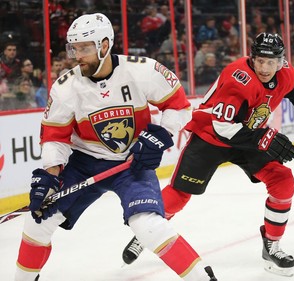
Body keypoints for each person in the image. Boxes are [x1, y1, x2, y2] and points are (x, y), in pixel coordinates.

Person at [14, 13, 217, 281]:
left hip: (132, 163)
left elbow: (179, 107)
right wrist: (51, 177)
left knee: (148, 226)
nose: (77, 55)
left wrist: (160, 135)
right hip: (84, 163)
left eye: (84, 48)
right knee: (38, 222)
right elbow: (55, 136)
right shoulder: (66, 87)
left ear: (105, 45)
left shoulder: (143, 70)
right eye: (74, 48)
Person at [122, 32, 294, 277]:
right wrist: (264, 137)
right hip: (211, 136)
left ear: (281, 61)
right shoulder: (238, 77)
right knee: (181, 193)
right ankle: (148, 232)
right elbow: (223, 127)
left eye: (271, 62)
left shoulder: (287, 74)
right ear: (252, 58)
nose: (265, 67)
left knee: (283, 181)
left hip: (247, 138)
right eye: (260, 61)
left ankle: (272, 245)